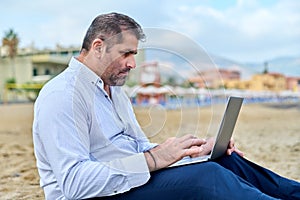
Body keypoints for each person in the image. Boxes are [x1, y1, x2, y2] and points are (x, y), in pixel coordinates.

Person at [32, 12, 300, 200]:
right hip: (96, 195)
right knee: (206, 177)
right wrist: (155, 158)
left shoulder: (113, 90)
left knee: (224, 162)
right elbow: (74, 183)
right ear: (98, 47)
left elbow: (137, 148)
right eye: (126, 54)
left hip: (130, 183)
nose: (132, 64)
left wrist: (191, 152)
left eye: (134, 55)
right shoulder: (62, 95)